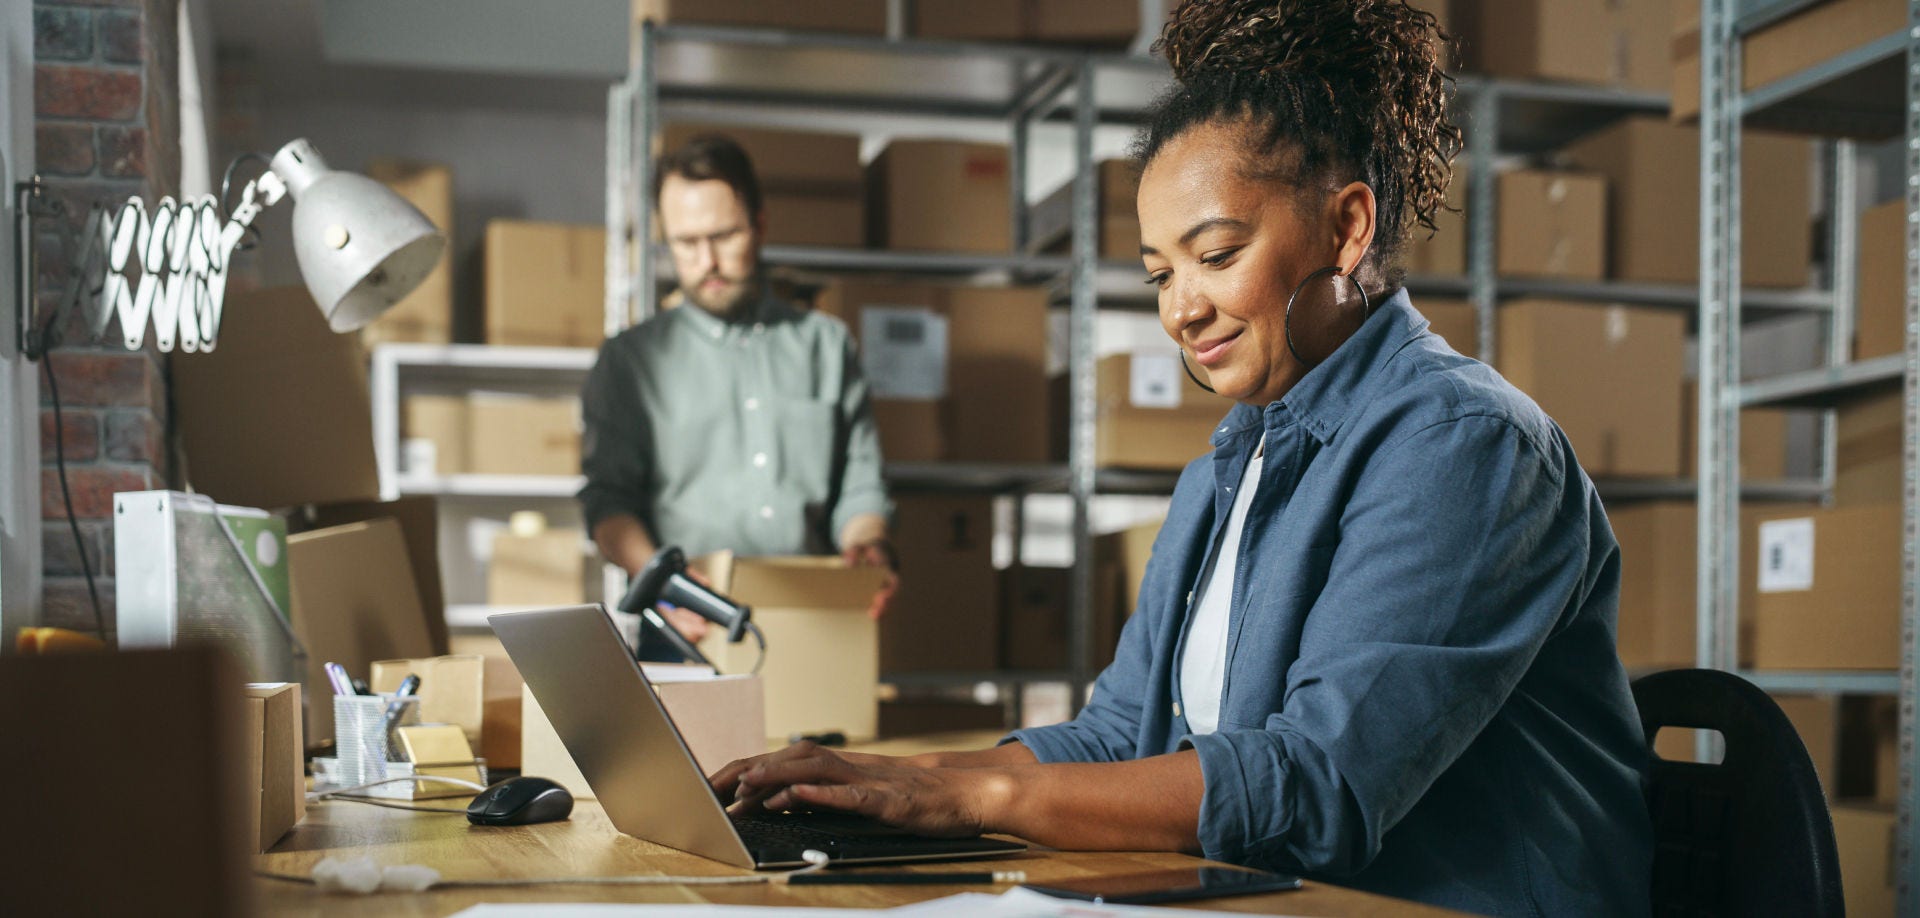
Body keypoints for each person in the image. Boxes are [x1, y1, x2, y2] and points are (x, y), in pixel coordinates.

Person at [707, 2, 1654, 915]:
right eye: (1161, 273)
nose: (1180, 308)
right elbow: (1121, 735)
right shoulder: (1228, 467)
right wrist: (885, 779)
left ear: (1347, 227)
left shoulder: (1466, 446)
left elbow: (1318, 784)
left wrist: (973, 801)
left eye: (1217, 253)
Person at [580, 135, 896, 646]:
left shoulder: (827, 345)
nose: (706, 261)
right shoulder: (629, 362)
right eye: (685, 242)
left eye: (724, 236)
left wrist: (868, 546)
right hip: (689, 628)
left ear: (760, 226)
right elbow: (608, 503)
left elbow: (860, 488)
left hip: (815, 623)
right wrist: (662, 582)